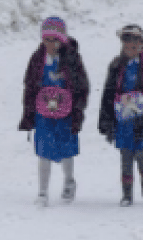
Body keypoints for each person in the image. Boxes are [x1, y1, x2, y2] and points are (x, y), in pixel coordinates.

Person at [19, 16, 90, 206]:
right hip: (43, 113)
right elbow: (29, 85)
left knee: (66, 149)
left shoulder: (72, 59)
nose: (50, 44)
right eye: (47, 39)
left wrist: (78, 109)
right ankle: (42, 191)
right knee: (43, 150)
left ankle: (68, 181)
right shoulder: (37, 58)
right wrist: (28, 112)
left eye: (55, 40)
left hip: (65, 114)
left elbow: (82, 85)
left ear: (62, 40)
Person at [98, 24, 143, 207]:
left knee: (142, 152)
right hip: (124, 119)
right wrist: (106, 120)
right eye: (127, 47)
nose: (131, 50)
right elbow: (107, 93)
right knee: (126, 155)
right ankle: (127, 193)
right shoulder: (116, 65)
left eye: (135, 46)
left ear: (142, 43)